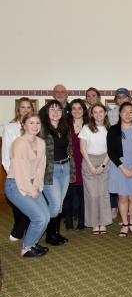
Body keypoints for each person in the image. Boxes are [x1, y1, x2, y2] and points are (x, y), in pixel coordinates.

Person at [5, 112, 50, 258]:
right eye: (31, 123)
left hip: (32, 183)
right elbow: (20, 171)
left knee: (46, 216)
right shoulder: (19, 143)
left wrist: (38, 185)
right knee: (39, 218)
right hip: (16, 185)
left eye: (37, 123)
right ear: (24, 125)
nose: (35, 126)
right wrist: (31, 190)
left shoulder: (41, 142)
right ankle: (26, 248)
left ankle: (32, 243)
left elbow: (40, 167)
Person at [107, 102, 132, 237]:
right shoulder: (113, 130)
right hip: (119, 167)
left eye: (131, 112)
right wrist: (123, 168)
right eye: (125, 111)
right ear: (120, 113)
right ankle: (124, 224)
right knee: (123, 197)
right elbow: (111, 152)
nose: (128, 114)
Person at [40, 100, 76, 246]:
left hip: (65, 168)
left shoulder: (64, 128)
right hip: (50, 170)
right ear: (47, 113)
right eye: (52, 109)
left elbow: (69, 150)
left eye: (58, 110)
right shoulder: (42, 130)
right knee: (54, 204)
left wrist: (71, 168)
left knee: (59, 204)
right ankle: (49, 235)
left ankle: (55, 233)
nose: (55, 112)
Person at [2, 97, 34, 241]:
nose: (26, 110)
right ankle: (18, 228)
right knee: (18, 202)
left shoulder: (36, 126)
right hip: (16, 173)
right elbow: (5, 155)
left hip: (33, 173)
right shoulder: (10, 128)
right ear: (18, 109)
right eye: (23, 107)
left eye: (29, 107)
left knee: (31, 203)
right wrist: (13, 174)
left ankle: (29, 228)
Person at [79, 103, 113, 235]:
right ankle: (94, 223)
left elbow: (111, 150)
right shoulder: (86, 128)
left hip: (105, 160)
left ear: (105, 113)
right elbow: (83, 149)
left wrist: (103, 165)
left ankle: (103, 222)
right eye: (95, 112)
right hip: (89, 161)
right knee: (92, 194)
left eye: (101, 112)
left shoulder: (109, 129)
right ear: (92, 114)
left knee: (103, 194)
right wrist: (91, 166)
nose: (98, 115)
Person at [62, 99, 87, 231]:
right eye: (74, 108)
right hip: (69, 163)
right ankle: (69, 221)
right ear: (70, 111)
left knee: (83, 195)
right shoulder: (65, 125)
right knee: (68, 195)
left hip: (85, 162)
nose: (76, 111)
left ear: (84, 110)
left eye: (79, 108)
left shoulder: (90, 125)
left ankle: (82, 221)